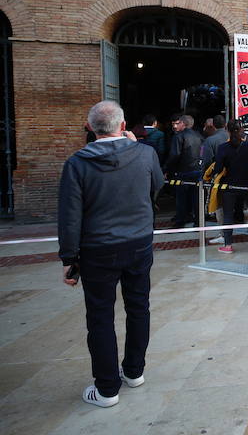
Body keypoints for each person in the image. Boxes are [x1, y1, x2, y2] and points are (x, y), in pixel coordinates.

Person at [58, 101, 164, 408]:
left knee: (101, 317)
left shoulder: (77, 163)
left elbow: (69, 215)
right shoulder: (145, 153)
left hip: (98, 249)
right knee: (138, 307)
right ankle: (134, 372)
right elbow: (157, 185)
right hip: (139, 243)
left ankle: (107, 388)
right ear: (123, 125)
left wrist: (69, 258)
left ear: (90, 128)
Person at [212, 120, 248, 253]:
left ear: (227, 130)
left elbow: (218, 168)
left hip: (230, 185)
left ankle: (228, 245)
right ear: (241, 130)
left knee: (228, 215)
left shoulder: (223, 148)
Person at [163, 114, 202, 227]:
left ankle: (181, 220)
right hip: (197, 170)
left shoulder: (178, 137)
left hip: (183, 170)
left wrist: (166, 169)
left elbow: (174, 155)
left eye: (178, 123)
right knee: (196, 197)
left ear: (183, 124)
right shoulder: (199, 135)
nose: (176, 125)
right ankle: (198, 220)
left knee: (181, 197)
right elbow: (203, 150)